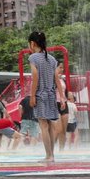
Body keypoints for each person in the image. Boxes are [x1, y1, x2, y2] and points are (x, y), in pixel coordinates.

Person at [28, 30, 65, 164]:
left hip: (41, 95)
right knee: (50, 125)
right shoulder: (52, 59)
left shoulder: (33, 58)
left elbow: (35, 77)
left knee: (43, 125)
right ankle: (52, 155)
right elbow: (57, 79)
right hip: (51, 95)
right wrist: (62, 97)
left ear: (32, 44)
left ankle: (48, 155)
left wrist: (32, 95)